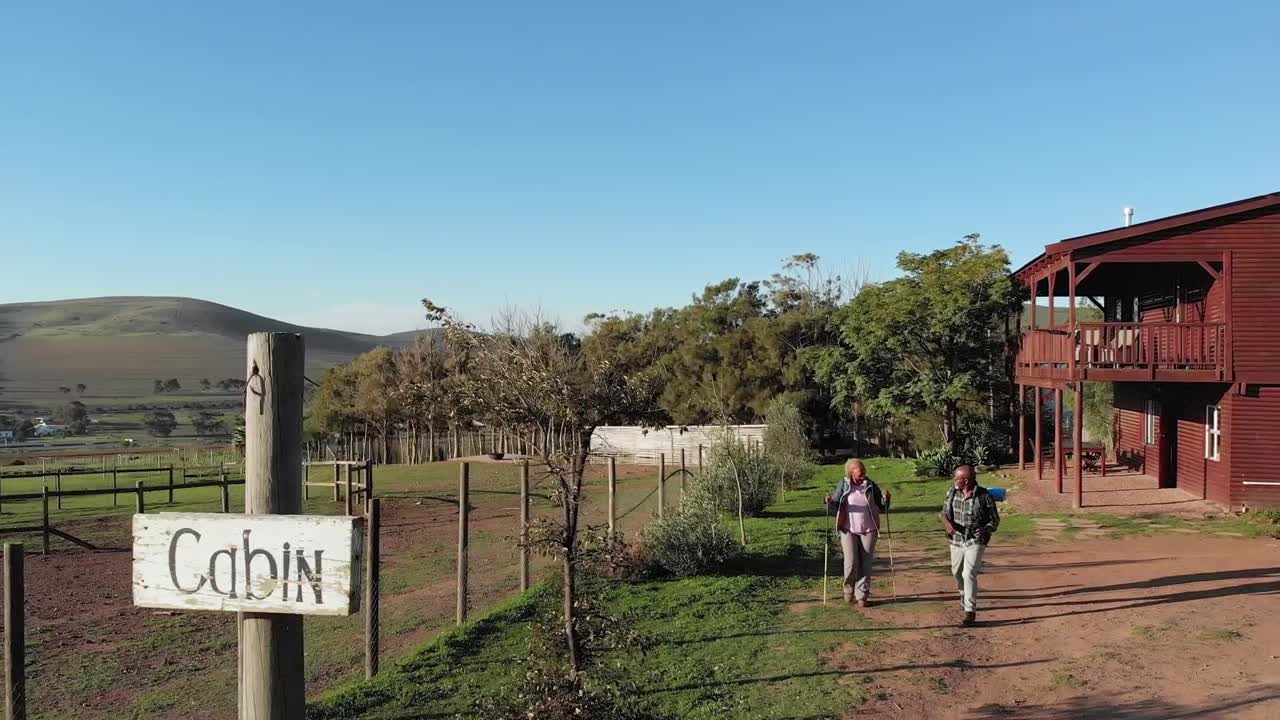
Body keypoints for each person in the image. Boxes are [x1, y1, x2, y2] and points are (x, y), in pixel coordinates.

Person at [939, 464, 1000, 627]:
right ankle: (964, 595)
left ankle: (970, 611)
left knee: (968, 574)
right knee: (957, 572)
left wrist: (985, 529)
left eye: (956, 478)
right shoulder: (951, 492)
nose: (954, 480)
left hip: (975, 541)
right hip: (956, 540)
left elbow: (995, 520)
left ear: (965, 480)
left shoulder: (984, 496)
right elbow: (943, 513)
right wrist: (947, 524)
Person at [824, 459, 891, 607]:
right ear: (851, 472)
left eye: (864, 472)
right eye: (860, 473)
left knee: (865, 563)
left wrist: (886, 499)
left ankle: (862, 596)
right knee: (851, 563)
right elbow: (836, 505)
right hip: (848, 529)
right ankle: (848, 591)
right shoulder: (844, 484)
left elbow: (882, 506)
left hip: (869, 529)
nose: (863, 475)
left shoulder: (870, 485)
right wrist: (829, 502)